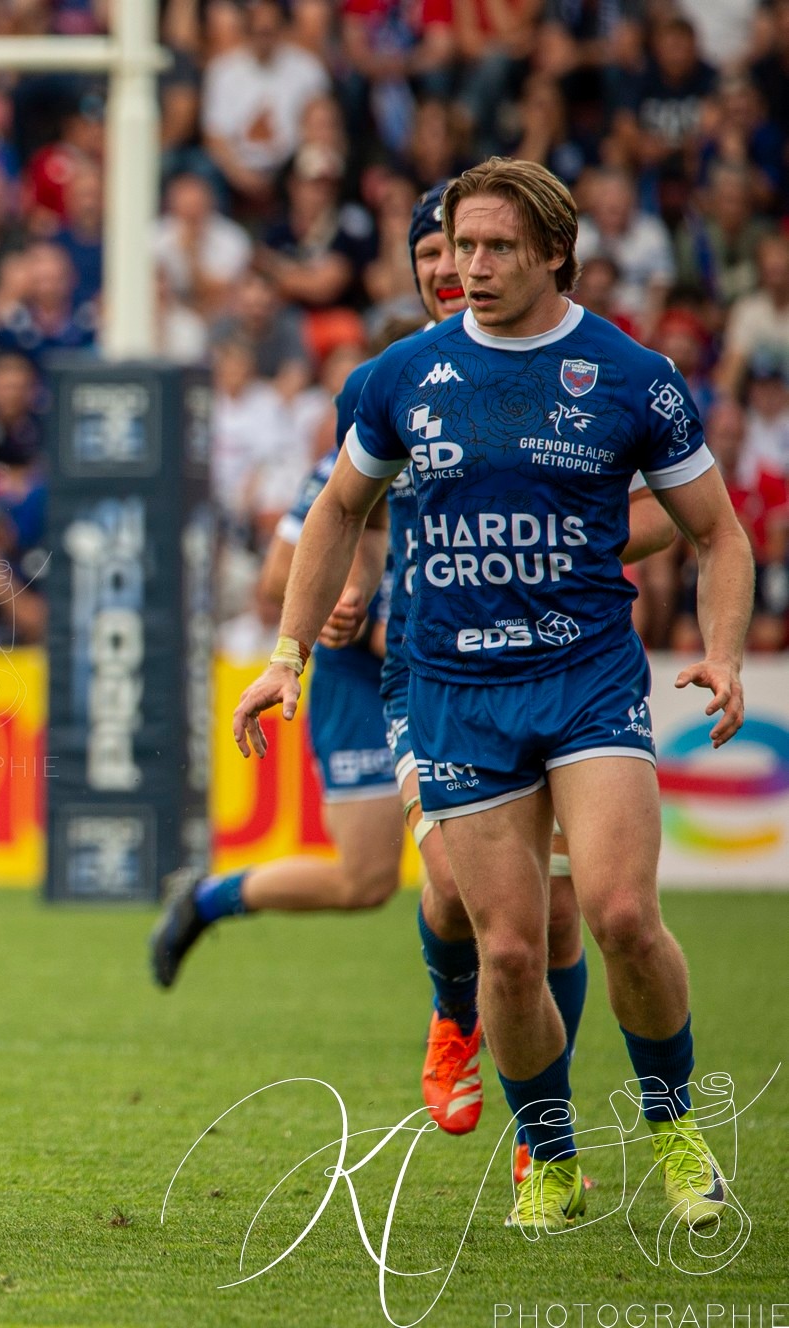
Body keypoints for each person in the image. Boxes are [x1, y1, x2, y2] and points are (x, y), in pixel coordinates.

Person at [232, 158, 753, 1232]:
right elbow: (336, 510)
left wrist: (725, 648)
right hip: (455, 690)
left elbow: (715, 529)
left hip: (585, 680)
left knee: (615, 911)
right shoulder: (399, 376)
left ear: (553, 253)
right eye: (457, 246)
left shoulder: (628, 376)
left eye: (494, 248)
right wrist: (284, 652)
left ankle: (673, 1126)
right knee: (507, 951)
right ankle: (551, 1157)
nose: (466, 267)